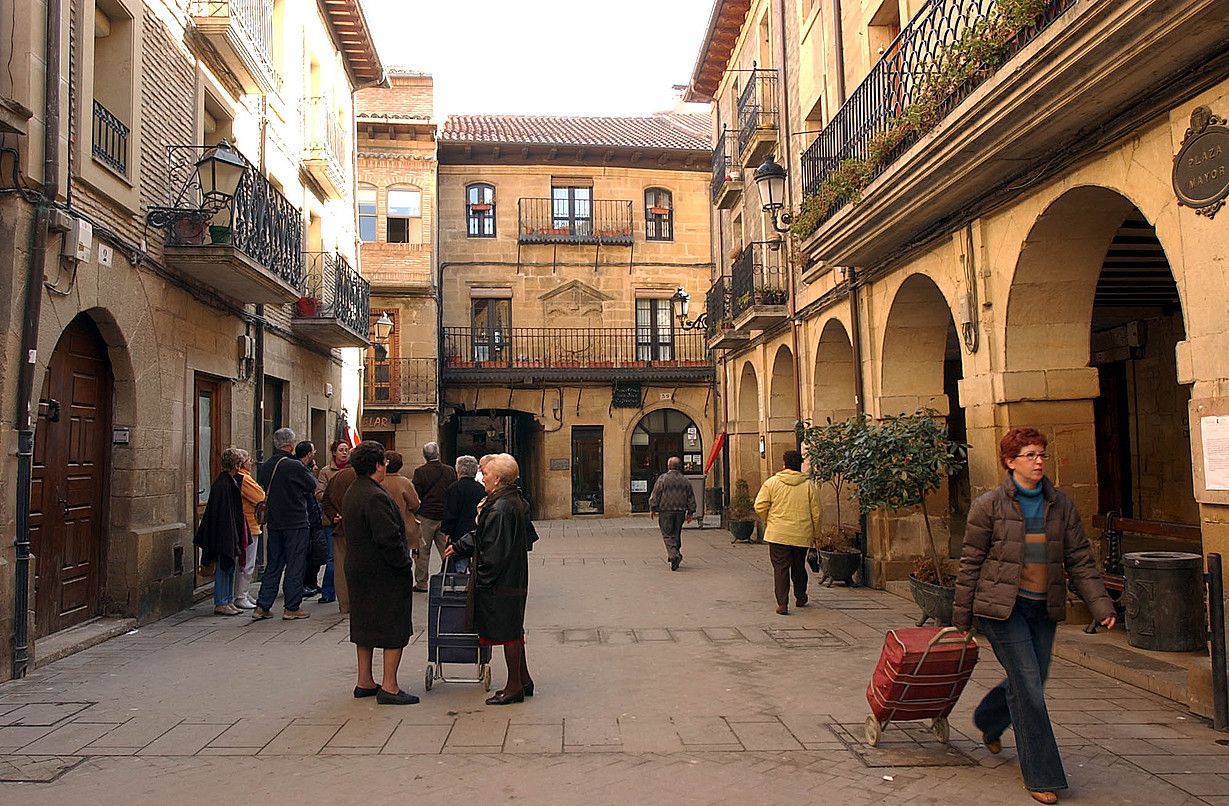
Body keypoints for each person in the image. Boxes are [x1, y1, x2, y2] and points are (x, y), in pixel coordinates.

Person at [955, 428, 1115, 806]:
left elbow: (1079, 559)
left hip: (1042, 608)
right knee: (1029, 686)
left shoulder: (1060, 505)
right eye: (1029, 455)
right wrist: (960, 621)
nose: (1039, 461)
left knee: (1032, 680)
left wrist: (1102, 606)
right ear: (1010, 462)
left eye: (1041, 454)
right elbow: (970, 564)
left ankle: (990, 720)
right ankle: (1042, 774)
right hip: (1001, 609)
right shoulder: (989, 505)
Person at [446, 453, 534, 705]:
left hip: (502, 581)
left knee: (508, 632)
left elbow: (493, 549)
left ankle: (514, 686)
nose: (482, 477)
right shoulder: (506, 500)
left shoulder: (501, 506)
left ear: (497, 479)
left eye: (486, 474)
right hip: (511, 577)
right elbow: (484, 534)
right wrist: (462, 544)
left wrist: (483, 580)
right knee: (513, 629)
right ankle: (523, 680)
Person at [342, 440, 418, 705]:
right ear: (377, 465)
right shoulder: (375, 496)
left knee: (364, 624)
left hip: (359, 568)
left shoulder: (355, 490)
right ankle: (390, 686)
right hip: (382, 573)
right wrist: (403, 564)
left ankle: (365, 681)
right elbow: (388, 538)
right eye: (383, 462)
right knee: (393, 626)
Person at [252, 427, 318, 621]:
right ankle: (292, 607)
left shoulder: (266, 466)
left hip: (275, 521)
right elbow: (311, 485)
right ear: (290, 445)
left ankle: (262, 606)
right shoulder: (294, 465)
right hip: (295, 520)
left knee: (274, 564)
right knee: (295, 564)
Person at [754, 450, 821, 616]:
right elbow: (817, 513)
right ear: (800, 465)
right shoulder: (808, 485)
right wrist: (816, 534)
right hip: (801, 533)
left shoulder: (772, 483)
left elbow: (760, 505)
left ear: (784, 464)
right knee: (798, 566)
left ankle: (782, 603)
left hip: (778, 533)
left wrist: (768, 520)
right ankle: (800, 596)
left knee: (780, 569)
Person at [194, 448, 248, 616]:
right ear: (236, 465)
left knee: (229, 567)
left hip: (228, 533)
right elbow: (224, 515)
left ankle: (228, 599)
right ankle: (221, 601)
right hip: (224, 534)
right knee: (223, 567)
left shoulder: (229, 482)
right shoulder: (223, 484)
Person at [412, 442, 457, 592]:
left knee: (423, 551)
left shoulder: (420, 472)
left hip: (426, 515)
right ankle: (451, 577)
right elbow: (453, 492)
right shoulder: (450, 471)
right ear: (438, 454)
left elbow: (416, 494)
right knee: (447, 549)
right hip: (445, 515)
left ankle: (421, 582)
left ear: (424, 455)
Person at [315, 440, 352, 604]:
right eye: (341, 450)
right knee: (332, 558)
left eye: (346, 450)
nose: (344, 453)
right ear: (334, 452)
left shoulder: (354, 470)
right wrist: (334, 498)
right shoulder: (326, 471)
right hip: (332, 520)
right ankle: (328, 591)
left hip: (349, 519)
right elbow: (319, 493)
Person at [648, 456, 695, 571]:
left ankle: (674, 555)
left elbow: (656, 494)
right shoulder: (685, 480)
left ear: (669, 466)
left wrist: (652, 507)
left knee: (667, 534)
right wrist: (690, 512)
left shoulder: (662, 479)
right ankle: (676, 556)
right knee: (676, 533)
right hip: (680, 511)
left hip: (666, 510)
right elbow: (691, 497)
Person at [322, 461, 358, 614]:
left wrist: (333, 516)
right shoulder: (364, 478)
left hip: (340, 527)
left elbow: (325, 499)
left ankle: (345, 604)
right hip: (358, 529)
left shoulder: (338, 476)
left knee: (341, 566)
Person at [233, 449, 265, 609]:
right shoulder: (244, 478)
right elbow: (260, 496)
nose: (251, 462)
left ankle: (243, 593)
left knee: (246, 562)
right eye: (249, 460)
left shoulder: (243, 477)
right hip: (249, 524)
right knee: (247, 562)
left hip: (247, 523)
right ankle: (240, 595)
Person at [295, 441, 325, 598]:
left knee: (316, 554)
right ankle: (302, 585)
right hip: (305, 519)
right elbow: (313, 489)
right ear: (308, 454)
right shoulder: (299, 471)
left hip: (313, 518)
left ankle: (311, 582)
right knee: (304, 555)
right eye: (313, 451)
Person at [380, 451, 423, 554]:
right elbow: (415, 505)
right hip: (403, 527)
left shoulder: (379, 481)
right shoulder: (404, 482)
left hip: (382, 526)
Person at [441, 455, 485, 549]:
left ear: (458, 470)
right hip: (477, 533)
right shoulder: (481, 489)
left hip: (458, 534)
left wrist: (447, 531)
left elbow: (450, 513)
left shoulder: (453, 488)